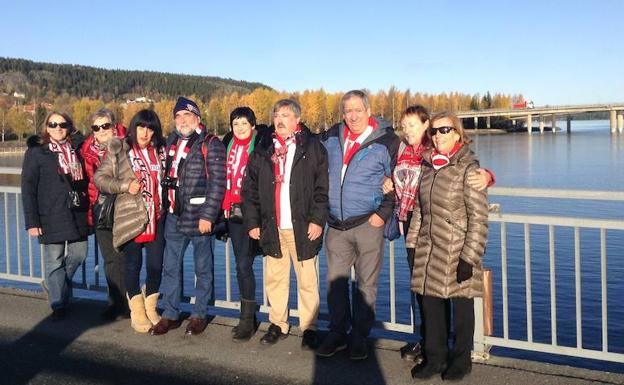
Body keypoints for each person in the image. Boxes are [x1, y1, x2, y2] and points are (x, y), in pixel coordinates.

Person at [386, 105, 494, 362]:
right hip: (423, 239)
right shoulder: (419, 160)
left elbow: (478, 217)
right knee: (429, 299)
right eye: (436, 131)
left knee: (459, 303)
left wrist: (488, 176)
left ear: (457, 133)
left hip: (454, 245)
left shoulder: (461, 166)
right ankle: (432, 351)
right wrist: (412, 241)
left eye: (444, 129)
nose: (438, 134)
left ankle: (459, 358)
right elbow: (419, 207)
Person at [316, 90, 400, 360]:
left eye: (358, 110)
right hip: (336, 226)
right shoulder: (331, 136)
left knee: (366, 286)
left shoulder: (387, 141)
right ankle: (338, 333)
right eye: (348, 111)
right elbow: (303, 152)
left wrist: (383, 213)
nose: (352, 116)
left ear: (368, 110)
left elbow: (402, 176)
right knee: (335, 284)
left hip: (368, 223)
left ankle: (359, 337)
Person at [241, 99, 328, 349]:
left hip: (302, 226)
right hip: (272, 226)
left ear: (297, 120)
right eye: (276, 115)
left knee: (307, 281)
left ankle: (309, 327)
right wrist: (253, 222)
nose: (279, 120)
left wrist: (317, 220)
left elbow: (322, 189)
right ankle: (278, 323)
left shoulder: (312, 148)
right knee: (275, 279)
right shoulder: (263, 150)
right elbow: (249, 191)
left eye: (286, 115)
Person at [150, 96, 226, 336]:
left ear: (197, 119)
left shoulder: (210, 143)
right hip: (173, 215)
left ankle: (199, 314)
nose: (182, 120)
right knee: (171, 267)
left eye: (187, 115)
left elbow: (217, 183)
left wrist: (208, 216)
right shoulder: (171, 140)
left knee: (203, 268)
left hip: (199, 216)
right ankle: (171, 314)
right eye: (178, 116)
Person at [94, 109, 167, 333]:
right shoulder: (120, 150)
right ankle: (137, 311)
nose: (145, 132)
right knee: (133, 265)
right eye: (141, 127)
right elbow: (100, 179)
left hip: (156, 217)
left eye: (150, 128)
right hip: (130, 218)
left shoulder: (160, 151)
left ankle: (150, 306)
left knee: (156, 266)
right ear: (134, 128)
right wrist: (125, 186)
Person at [22, 111, 89, 320]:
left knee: (80, 254)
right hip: (50, 213)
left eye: (62, 124)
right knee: (54, 260)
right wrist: (32, 222)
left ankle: (54, 285)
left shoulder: (76, 148)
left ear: (69, 126)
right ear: (46, 127)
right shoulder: (37, 152)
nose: (58, 128)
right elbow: (28, 188)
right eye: (53, 124)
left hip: (76, 212)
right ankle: (58, 303)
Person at [221, 107, 270, 341]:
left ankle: (247, 320)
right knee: (241, 265)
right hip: (231, 214)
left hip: (251, 213)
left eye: (244, 123)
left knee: (243, 265)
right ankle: (248, 316)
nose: (239, 128)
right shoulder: (228, 144)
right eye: (235, 123)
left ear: (252, 125)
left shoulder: (260, 146)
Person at [81, 108, 129, 320]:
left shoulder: (127, 143)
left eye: (105, 125)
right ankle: (115, 302)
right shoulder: (87, 150)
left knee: (127, 258)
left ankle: (131, 303)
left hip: (125, 208)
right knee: (110, 259)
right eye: (96, 127)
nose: (101, 130)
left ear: (114, 124)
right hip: (100, 209)